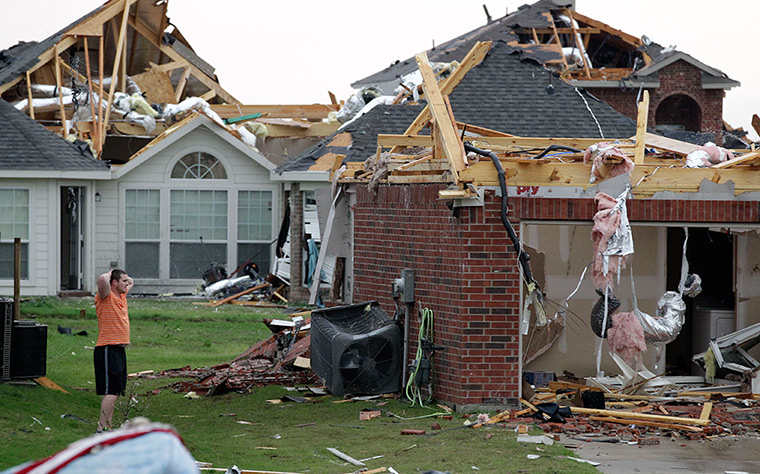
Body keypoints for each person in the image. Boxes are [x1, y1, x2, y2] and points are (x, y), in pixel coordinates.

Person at [94, 268, 133, 432]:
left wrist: (122, 277)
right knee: (112, 391)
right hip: (107, 348)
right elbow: (102, 279)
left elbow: (132, 281)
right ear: (114, 283)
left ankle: (108, 429)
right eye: (122, 281)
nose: (127, 283)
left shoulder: (121, 296)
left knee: (113, 391)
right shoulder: (105, 296)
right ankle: (101, 429)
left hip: (118, 350)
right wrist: (111, 273)